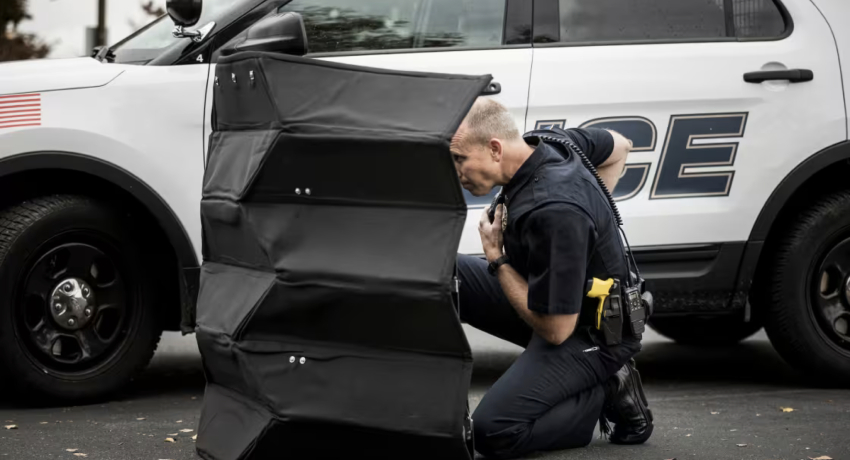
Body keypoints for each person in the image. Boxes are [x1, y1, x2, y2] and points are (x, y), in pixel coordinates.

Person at [451, 98, 653, 459]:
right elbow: (620, 145)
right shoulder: (551, 142)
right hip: (551, 299)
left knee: (494, 431)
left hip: (589, 332)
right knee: (446, 272)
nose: (457, 171)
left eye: (459, 159)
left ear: (495, 148)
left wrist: (495, 257)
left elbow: (556, 330)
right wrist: (595, 217)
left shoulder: (555, 211)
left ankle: (603, 387)